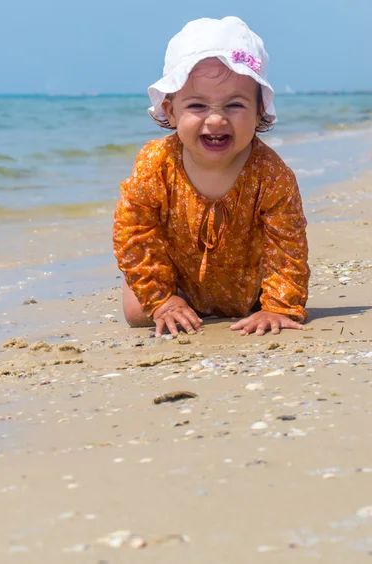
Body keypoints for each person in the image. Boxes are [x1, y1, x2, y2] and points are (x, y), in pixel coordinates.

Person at [113, 16, 310, 338]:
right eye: (197, 105)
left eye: (235, 105)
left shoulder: (272, 174)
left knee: (268, 308)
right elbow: (133, 231)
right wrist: (160, 297)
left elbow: (288, 245)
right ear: (171, 109)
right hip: (178, 274)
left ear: (260, 110)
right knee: (138, 313)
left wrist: (278, 306)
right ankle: (167, 294)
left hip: (247, 282)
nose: (216, 119)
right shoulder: (155, 163)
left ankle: (248, 301)